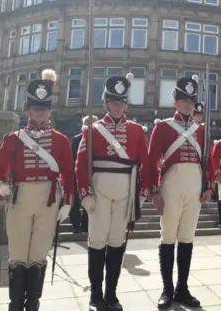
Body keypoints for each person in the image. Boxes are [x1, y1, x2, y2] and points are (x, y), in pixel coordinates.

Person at [0, 69, 75, 311]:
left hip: (49, 199)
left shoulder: (60, 140)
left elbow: (67, 172)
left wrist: (68, 200)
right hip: (20, 197)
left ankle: (33, 303)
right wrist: (1, 185)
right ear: (27, 110)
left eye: (45, 108)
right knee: (18, 252)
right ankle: (15, 303)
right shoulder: (13, 139)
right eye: (36, 107)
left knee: (38, 252)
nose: (40, 112)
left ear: (50, 110)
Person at [76, 73, 149, 311]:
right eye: (113, 102)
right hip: (99, 189)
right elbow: (80, 163)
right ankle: (95, 296)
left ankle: (111, 294)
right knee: (97, 242)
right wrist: (85, 193)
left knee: (117, 242)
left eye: (121, 102)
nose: (118, 106)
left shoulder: (137, 130)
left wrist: (141, 193)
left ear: (126, 104)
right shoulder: (93, 129)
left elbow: (144, 162)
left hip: (126, 189)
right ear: (106, 103)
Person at [148, 77, 212, 309]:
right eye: (183, 99)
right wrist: (153, 191)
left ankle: (182, 289)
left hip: (194, 185)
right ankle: (167, 289)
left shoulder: (201, 130)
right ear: (175, 102)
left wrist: (209, 186)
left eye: (191, 100)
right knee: (168, 238)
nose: (187, 104)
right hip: (171, 185)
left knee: (187, 238)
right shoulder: (163, 127)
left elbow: (208, 160)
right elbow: (151, 159)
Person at [70, 115, 98, 234]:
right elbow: (72, 157)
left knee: (90, 199)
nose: (90, 124)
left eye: (93, 122)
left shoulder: (100, 139)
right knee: (76, 202)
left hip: (94, 175)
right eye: (87, 122)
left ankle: (86, 226)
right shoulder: (77, 139)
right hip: (78, 174)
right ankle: (75, 225)